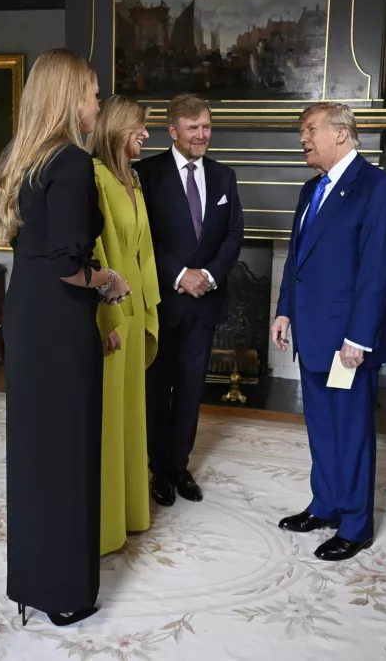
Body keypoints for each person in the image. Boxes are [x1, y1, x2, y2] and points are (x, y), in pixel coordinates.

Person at [0, 49, 129, 627]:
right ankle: (65, 592)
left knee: (36, 454)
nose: (98, 103)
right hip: (58, 318)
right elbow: (68, 263)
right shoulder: (72, 163)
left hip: (27, 318)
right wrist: (109, 282)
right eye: (93, 92)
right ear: (69, 97)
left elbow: (40, 253)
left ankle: (35, 581)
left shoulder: (25, 160)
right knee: (69, 453)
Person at [270, 102, 386, 561]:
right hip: (311, 330)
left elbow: (377, 271)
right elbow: (298, 258)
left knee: (352, 432)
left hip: (349, 338)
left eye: (309, 129)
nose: (302, 138)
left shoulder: (378, 188)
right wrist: (284, 310)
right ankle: (324, 506)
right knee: (321, 427)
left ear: (342, 134)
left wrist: (359, 338)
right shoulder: (311, 189)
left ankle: (357, 525)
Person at [138, 94, 244, 507]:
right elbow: (143, 238)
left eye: (206, 127)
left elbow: (234, 234)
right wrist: (181, 275)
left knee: (189, 389)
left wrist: (210, 276)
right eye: (193, 127)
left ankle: (179, 467)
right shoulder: (145, 174)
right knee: (156, 388)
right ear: (173, 130)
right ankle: (157, 469)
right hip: (164, 300)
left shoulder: (224, 176)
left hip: (205, 303)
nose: (202, 135)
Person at [87, 94, 162, 555]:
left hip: (137, 308)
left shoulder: (132, 177)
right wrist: (107, 316)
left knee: (133, 415)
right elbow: (93, 250)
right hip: (110, 311)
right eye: (140, 126)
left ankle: (133, 512)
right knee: (110, 420)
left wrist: (150, 307)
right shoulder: (93, 177)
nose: (146, 134)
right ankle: (105, 525)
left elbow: (145, 250)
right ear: (117, 128)